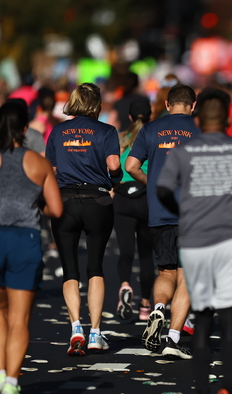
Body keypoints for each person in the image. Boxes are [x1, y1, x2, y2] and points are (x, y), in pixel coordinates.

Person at [157, 87, 232, 394]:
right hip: (231, 242)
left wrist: (183, 211)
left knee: (203, 318)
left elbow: (163, 190)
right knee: (230, 318)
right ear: (225, 122)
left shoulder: (184, 152)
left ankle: (200, 385)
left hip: (196, 242)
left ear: (199, 121)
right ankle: (227, 384)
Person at [45, 83, 122, 355]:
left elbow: (51, 170)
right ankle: (95, 333)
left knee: (69, 269)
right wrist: (114, 181)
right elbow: (114, 166)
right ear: (96, 104)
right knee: (96, 268)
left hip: (65, 200)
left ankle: (76, 327)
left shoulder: (58, 131)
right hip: (97, 200)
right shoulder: (106, 131)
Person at [126, 84, 199, 359]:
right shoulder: (199, 130)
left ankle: (157, 309)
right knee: (189, 278)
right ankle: (173, 337)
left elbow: (130, 166)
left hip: (159, 211)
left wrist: (152, 182)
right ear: (193, 105)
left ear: (167, 104)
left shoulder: (150, 129)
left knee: (166, 272)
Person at [0, 102, 63, 394]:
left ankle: (0, 372)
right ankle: (11, 383)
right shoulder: (38, 163)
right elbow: (56, 210)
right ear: (26, 128)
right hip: (24, 240)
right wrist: (35, 204)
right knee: (19, 317)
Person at [114, 97, 154, 321]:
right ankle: (145, 305)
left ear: (129, 116)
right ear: (150, 115)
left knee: (125, 251)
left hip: (122, 197)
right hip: (146, 195)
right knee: (146, 255)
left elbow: (113, 167)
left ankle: (125, 286)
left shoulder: (121, 138)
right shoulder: (153, 136)